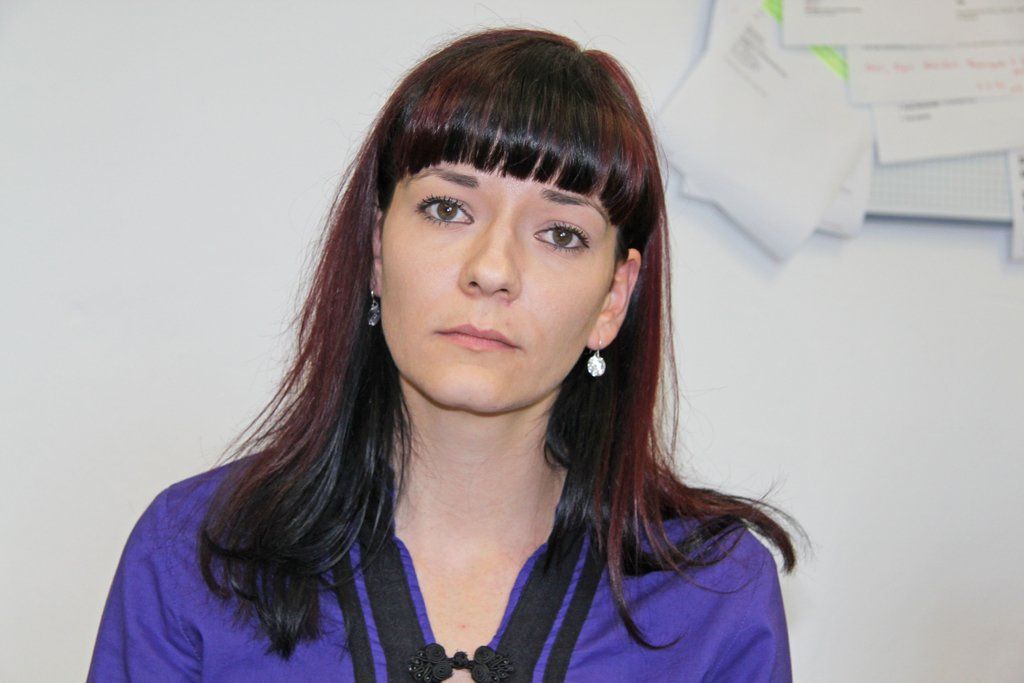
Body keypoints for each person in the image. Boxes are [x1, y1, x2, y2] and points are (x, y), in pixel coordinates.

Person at [87, 27, 803, 682]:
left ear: (613, 298)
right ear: (377, 249)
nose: (492, 269)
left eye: (560, 234)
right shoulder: (195, 554)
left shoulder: (716, 594)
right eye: (447, 208)